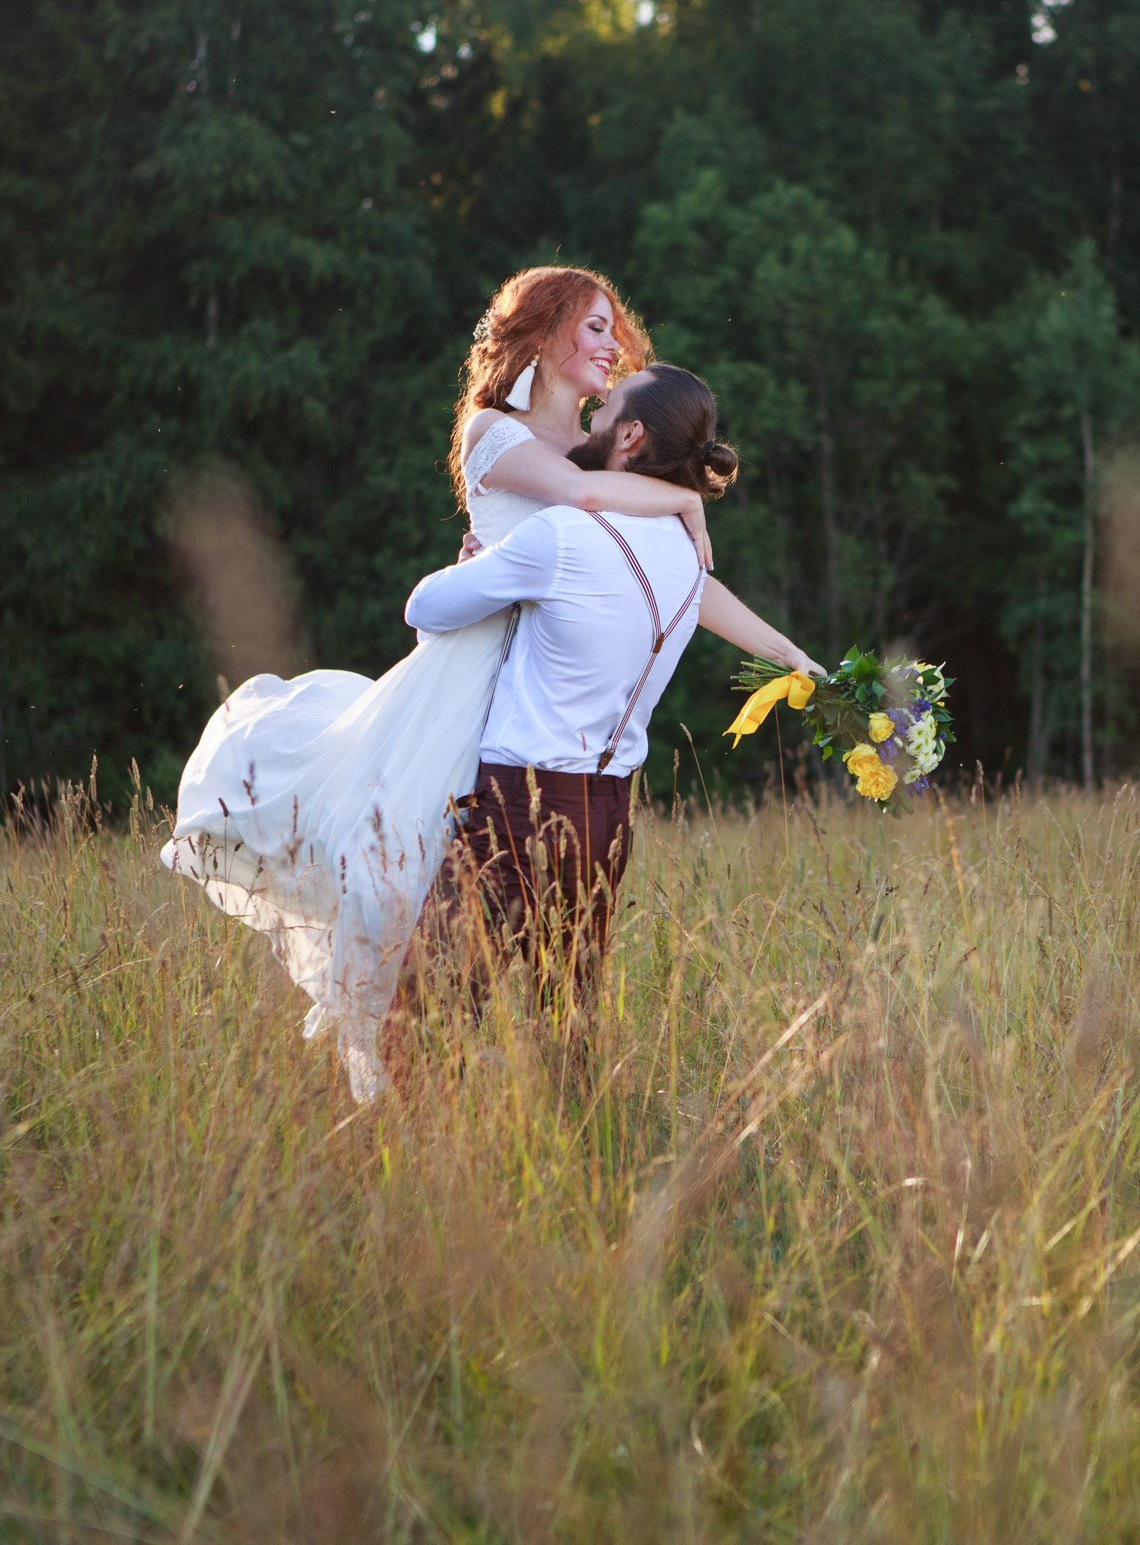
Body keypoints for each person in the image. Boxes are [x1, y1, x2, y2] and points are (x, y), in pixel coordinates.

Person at [161, 266, 820, 1102]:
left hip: (539, 685)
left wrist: (790, 652)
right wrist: (684, 504)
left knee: (503, 932)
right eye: (591, 327)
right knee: (407, 892)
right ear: (543, 335)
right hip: (473, 676)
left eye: (613, 330)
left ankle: (491, 1106)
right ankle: (402, 1101)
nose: (610, 345)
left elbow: (691, 586)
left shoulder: (604, 449)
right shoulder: (497, 433)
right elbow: (580, 498)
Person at [381, 363, 825, 1080]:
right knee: (569, 1019)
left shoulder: (560, 536)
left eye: (606, 408)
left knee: (425, 1010)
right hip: (608, 814)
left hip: (517, 804)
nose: (590, 416)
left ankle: (419, 1160)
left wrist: (476, 563)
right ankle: (586, 1150)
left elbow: (424, 610)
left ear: (632, 435)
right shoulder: (686, 555)